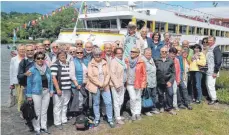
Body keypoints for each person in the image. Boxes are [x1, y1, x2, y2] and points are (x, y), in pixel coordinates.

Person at [86, 48, 115, 128]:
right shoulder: (90, 63)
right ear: (93, 55)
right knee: (96, 103)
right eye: (96, 55)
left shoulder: (105, 62)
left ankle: (110, 119)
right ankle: (97, 118)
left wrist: (104, 83)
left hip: (105, 86)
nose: (98, 56)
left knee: (108, 102)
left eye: (99, 54)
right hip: (95, 86)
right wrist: (99, 84)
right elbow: (91, 76)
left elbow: (108, 74)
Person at [26, 52, 53, 135]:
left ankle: (43, 127)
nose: (40, 60)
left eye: (42, 58)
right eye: (38, 58)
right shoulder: (31, 70)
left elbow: (51, 81)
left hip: (46, 92)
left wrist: (51, 90)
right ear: (35, 59)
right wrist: (29, 95)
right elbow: (29, 83)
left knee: (44, 111)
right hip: (36, 93)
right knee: (37, 111)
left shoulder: (47, 68)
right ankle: (37, 128)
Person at [51, 50, 72, 130]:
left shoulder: (67, 64)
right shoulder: (55, 65)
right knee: (57, 105)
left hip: (67, 88)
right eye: (61, 55)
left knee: (65, 104)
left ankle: (63, 119)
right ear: (58, 56)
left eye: (64, 55)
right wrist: (57, 88)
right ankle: (57, 122)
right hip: (60, 88)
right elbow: (53, 78)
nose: (63, 56)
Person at [125, 47, 146, 121]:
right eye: (131, 51)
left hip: (138, 83)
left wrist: (143, 84)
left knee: (138, 98)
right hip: (129, 83)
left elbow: (144, 74)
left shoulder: (141, 62)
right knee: (133, 98)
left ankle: (138, 113)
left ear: (138, 53)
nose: (132, 53)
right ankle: (133, 113)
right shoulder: (126, 60)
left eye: (134, 52)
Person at [155, 47, 176, 115]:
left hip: (168, 81)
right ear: (160, 52)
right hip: (159, 81)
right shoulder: (156, 60)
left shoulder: (171, 61)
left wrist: (170, 81)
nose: (164, 53)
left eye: (165, 52)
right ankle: (161, 106)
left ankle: (169, 108)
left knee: (170, 94)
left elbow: (173, 73)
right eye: (162, 51)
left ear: (167, 53)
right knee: (160, 95)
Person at [110, 47, 127, 125]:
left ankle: (118, 114)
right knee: (117, 101)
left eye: (121, 53)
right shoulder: (113, 62)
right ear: (115, 54)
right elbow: (112, 74)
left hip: (122, 83)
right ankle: (117, 117)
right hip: (116, 85)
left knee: (121, 100)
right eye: (118, 53)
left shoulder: (122, 61)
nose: (120, 54)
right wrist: (117, 85)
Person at [69, 47, 88, 115]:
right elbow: (72, 75)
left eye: (81, 52)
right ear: (75, 53)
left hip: (85, 84)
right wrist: (77, 84)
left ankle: (82, 114)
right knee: (79, 100)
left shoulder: (86, 61)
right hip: (78, 85)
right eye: (78, 53)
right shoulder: (73, 61)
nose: (79, 54)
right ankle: (78, 116)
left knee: (84, 100)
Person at [141, 48, 160, 116]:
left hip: (153, 82)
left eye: (150, 53)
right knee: (147, 96)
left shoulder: (152, 59)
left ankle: (153, 109)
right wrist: (144, 82)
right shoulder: (142, 60)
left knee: (154, 96)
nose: (149, 54)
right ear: (144, 53)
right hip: (147, 82)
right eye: (147, 53)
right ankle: (146, 110)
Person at [206, 36, 222, 105]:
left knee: (210, 85)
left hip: (213, 71)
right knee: (208, 84)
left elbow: (218, 61)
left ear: (214, 41)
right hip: (209, 70)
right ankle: (212, 97)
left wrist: (215, 71)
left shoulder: (216, 49)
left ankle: (214, 99)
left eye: (211, 40)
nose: (209, 41)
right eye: (208, 40)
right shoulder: (210, 48)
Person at [9, 44, 26, 114]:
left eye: (23, 49)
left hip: (26, 80)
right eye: (20, 49)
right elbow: (11, 71)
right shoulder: (13, 59)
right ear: (18, 50)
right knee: (19, 97)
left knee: (25, 97)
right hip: (17, 81)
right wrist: (11, 83)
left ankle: (24, 110)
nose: (22, 51)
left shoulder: (27, 58)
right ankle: (20, 111)